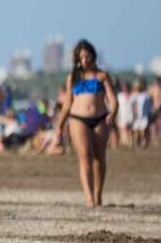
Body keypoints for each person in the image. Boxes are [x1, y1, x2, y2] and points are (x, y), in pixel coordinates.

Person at [55, 40, 117, 207]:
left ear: (93, 56)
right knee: (84, 157)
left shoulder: (102, 76)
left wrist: (114, 112)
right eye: (81, 57)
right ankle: (88, 196)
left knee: (99, 157)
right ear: (77, 60)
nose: (85, 60)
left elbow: (112, 98)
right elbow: (67, 103)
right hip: (78, 118)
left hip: (100, 118)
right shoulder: (73, 78)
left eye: (87, 56)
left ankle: (98, 194)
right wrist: (59, 126)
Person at [130, 79, 153, 149]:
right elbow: (132, 106)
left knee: (144, 131)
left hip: (144, 117)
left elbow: (149, 106)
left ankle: (145, 144)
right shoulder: (133, 96)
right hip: (136, 117)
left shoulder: (146, 96)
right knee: (137, 132)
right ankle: (138, 144)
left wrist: (150, 114)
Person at [115, 79, 134, 149]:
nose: (124, 88)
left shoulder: (132, 96)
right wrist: (117, 115)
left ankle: (130, 143)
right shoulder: (119, 96)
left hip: (130, 114)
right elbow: (117, 106)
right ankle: (125, 143)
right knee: (123, 129)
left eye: (125, 87)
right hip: (122, 114)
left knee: (130, 130)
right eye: (123, 87)